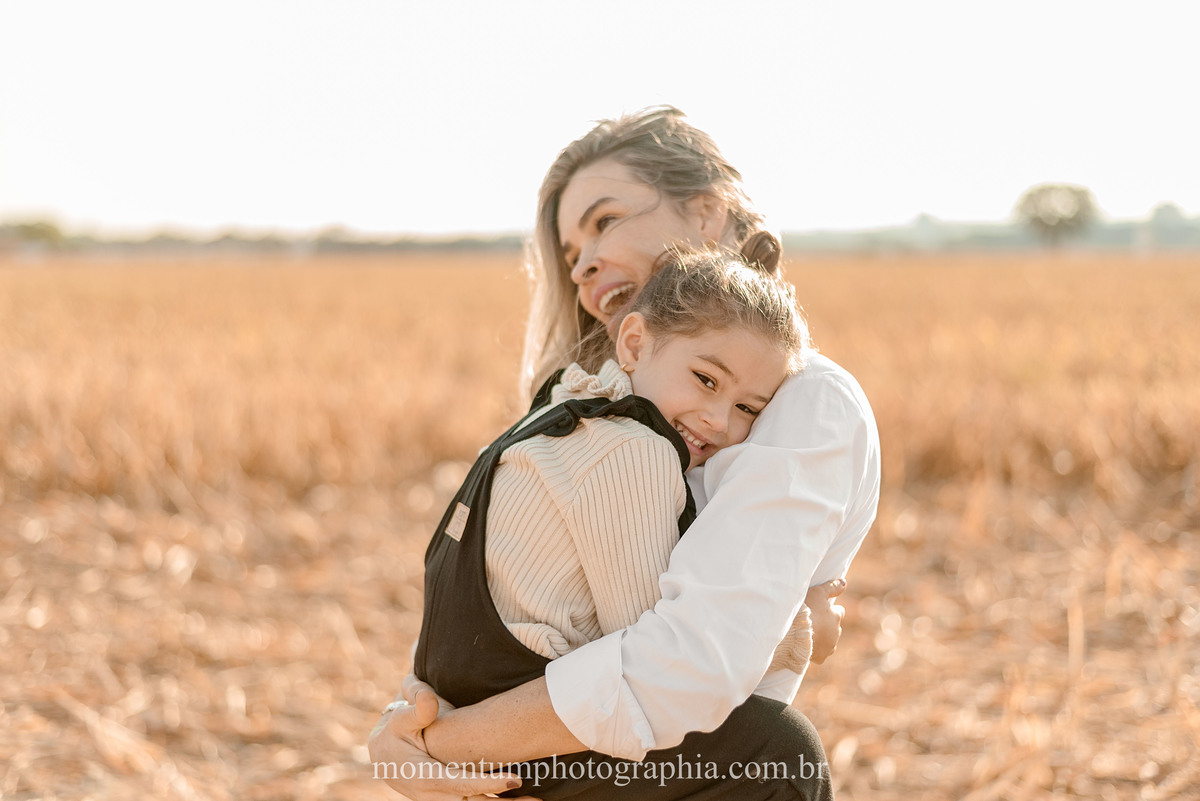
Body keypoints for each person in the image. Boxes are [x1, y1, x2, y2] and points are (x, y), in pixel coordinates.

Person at [369, 106, 881, 800]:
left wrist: (428, 744)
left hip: (595, 742)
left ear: (707, 212)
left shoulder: (805, 399)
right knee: (776, 756)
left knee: (773, 750)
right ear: (637, 342)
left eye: (604, 221)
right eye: (570, 252)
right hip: (579, 745)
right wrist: (411, 732)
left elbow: (675, 664)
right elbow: (520, 594)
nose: (583, 264)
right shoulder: (605, 419)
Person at [416, 245, 811, 713]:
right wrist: (785, 641)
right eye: (706, 380)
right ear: (635, 344)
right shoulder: (633, 449)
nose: (719, 421)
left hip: (458, 688)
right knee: (781, 742)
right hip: (518, 707)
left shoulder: (566, 402)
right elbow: (659, 659)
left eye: (747, 408)